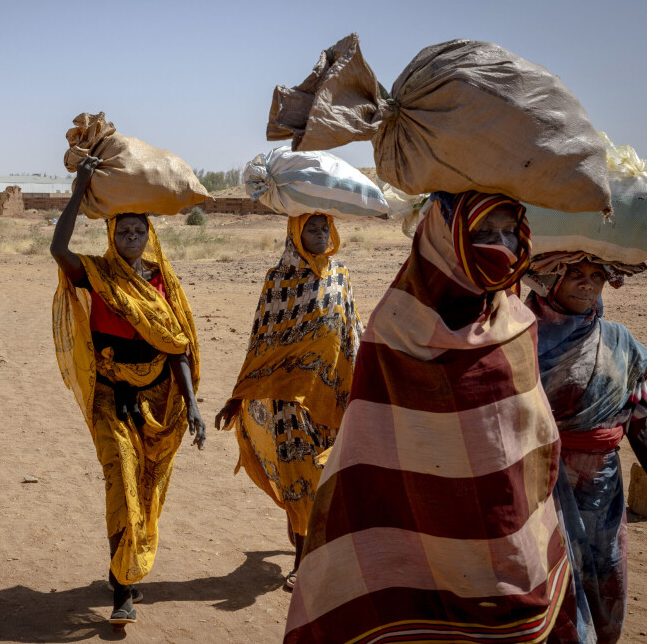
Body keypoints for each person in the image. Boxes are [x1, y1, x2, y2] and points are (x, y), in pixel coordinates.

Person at [284, 191, 576, 643]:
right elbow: (370, 452)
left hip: (508, 541)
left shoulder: (518, 323)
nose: (500, 248)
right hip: (413, 533)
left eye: (508, 233)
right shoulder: (395, 330)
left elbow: (534, 442)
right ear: (445, 239)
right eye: (482, 233)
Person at [50, 156, 206, 626]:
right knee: (122, 480)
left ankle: (130, 565)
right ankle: (122, 589)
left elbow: (177, 347)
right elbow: (59, 248)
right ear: (111, 237)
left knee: (148, 488)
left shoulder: (163, 284)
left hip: (159, 401)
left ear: (150, 236)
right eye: (123, 232)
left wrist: (194, 407)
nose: (131, 239)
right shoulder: (96, 274)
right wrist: (79, 190)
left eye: (138, 231)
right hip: (111, 400)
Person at [214, 213, 362, 590]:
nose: (319, 234)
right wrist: (239, 396)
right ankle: (302, 563)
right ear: (294, 234)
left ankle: (302, 529)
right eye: (310, 228)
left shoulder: (341, 277)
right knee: (302, 478)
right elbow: (261, 341)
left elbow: (351, 333)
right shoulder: (277, 281)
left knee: (320, 478)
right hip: (285, 400)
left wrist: (362, 388)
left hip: (328, 396)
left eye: (324, 227)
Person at [525, 253, 647, 644]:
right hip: (537, 485)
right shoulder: (516, 339)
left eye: (596, 275)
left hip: (602, 490)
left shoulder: (619, 340)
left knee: (604, 571)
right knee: (549, 579)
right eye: (574, 273)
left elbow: (640, 411)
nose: (587, 284)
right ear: (548, 280)